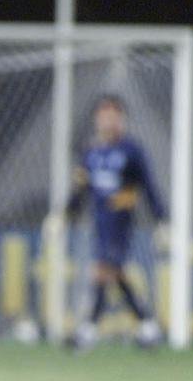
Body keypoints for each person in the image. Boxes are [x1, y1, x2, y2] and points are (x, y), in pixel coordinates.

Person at [68, 95, 167, 350]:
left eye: (113, 115)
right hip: (98, 221)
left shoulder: (131, 150)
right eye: (103, 115)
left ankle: (88, 330)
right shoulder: (91, 152)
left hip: (120, 222)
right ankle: (147, 326)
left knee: (103, 270)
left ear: (121, 119)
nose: (107, 121)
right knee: (115, 273)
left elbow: (148, 185)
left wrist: (161, 220)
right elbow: (80, 187)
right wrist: (66, 213)